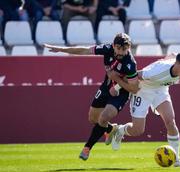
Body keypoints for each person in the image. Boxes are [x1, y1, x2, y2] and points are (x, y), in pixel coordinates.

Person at [44, 33, 139, 161]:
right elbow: (85, 50)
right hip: (105, 88)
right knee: (93, 118)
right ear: (113, 46)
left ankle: (87, 148)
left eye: (124, 49)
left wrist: (116, 79)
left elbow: (134, 88)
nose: (121, 52)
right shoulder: (107, 49)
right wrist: (61, 49)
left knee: (104, 117)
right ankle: (112, 129)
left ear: (128, 48)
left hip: (121, 93)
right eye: (118, 48)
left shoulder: (130, 63)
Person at [106, 52, 180, 167]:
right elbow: (133, 75)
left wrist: (170, 56)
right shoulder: (157, 72)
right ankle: (119, 130)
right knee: (138, 130)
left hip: (160, 90)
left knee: (170, 122)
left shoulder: (176, 64)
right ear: (176, 63)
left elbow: (172, 55)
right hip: (142, 91)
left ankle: (176, 160)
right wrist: (116, 87)